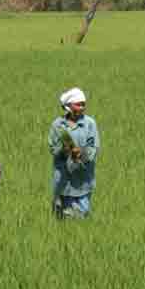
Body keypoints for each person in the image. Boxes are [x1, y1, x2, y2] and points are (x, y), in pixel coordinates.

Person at [49, 88, 99, 219]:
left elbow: (94, 147)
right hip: (62, 180)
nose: (82, 107)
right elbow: (53, 149)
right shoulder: (58, 125)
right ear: (68, 106)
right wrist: (64, 149)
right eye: (78, 104)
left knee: (80, 216)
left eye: (83, 104)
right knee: (61, 217)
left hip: (82, 179)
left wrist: (81, 154)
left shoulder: (89, 124)